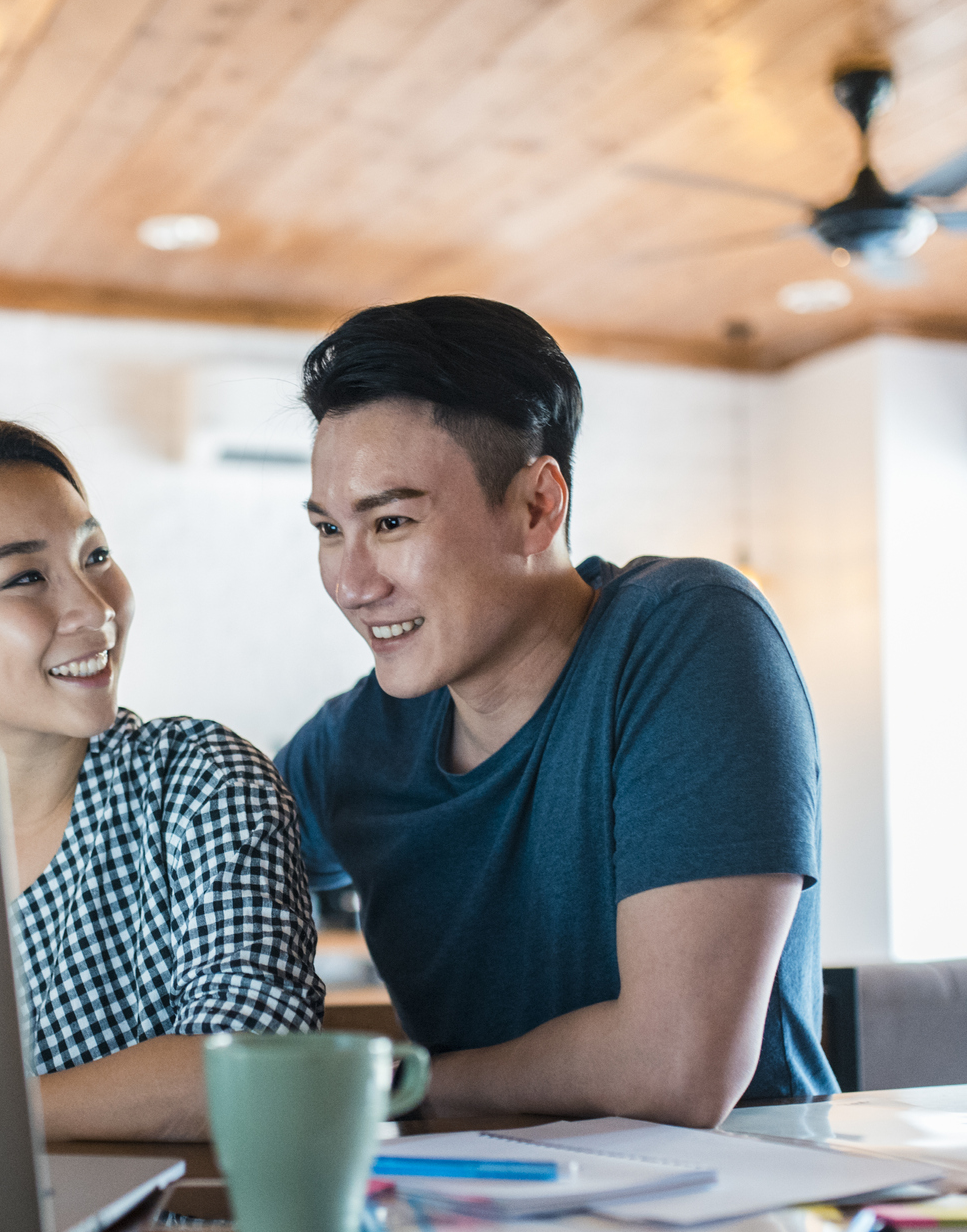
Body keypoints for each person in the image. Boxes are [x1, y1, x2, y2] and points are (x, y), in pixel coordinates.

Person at [276, 296, 834, 1129]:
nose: (352, 584)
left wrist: (399, 1085)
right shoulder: (351, 745)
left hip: (728, 1224)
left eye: (390, 522)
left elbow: (675, 1070)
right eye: (329, 530)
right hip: (467, 1221)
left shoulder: (688, 633)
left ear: (537, 506)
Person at [0, 416, 324, 1142]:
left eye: (94, 554)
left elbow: (258, 1062)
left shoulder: (198, 783)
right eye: (26, 576)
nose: (95, 609)